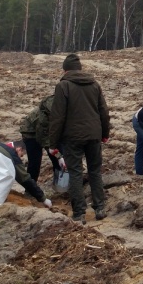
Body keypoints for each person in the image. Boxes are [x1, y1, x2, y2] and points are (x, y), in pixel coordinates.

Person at [49, 53, 111, 225]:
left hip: (73, 137)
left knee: (75, 172)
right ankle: (100, 208)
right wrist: (105, 133)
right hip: (94, 135)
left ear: (65, 69)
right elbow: (103, 112)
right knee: (95, 171)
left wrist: (53, 143)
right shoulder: (95, 85)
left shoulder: (63, 86)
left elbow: (57, 117)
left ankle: (79, 213)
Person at [19, 94, 64, 181]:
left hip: (50, 132)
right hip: (31, 133)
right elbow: (44, 140)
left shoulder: (65, 106)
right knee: (34, 163)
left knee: (58, 160)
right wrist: (59, 156)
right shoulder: (44, 118)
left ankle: (59, 187)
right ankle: (31, 190)